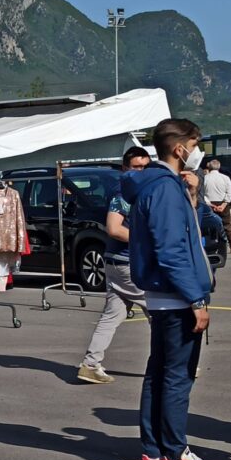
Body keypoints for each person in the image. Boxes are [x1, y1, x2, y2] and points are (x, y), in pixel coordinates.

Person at [121, 119, 222, 460]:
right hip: (176, 297)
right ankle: (175, 453)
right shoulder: (163, 188)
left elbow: (184, 233)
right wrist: (196, 300)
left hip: (165, 295)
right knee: (177, 377)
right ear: (180, 149)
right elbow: (172, 249)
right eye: (196, 144)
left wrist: (193, 199)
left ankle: (154, 453)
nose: (199, 152)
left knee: (159, 373)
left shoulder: (161, 186)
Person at [77, 147, 151, 384]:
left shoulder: (132, 191)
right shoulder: (123, 194)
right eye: (136, 167)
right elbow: (114, 228)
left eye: (145, 167)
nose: (141, 171)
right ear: (125, 168)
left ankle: (90, 364)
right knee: (161, 313)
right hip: (128, 263)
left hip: (115, 262)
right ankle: (173, 364)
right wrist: (147, 239)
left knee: (112, 315)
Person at [202, 159, 231, 252]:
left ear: (209, 167)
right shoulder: (225, 178)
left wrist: (211, 204)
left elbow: (203, 194)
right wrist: (224, 204)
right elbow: (230, 193)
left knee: (211, 226)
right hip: (223, 203)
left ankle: (213, 247)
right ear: (219, 167)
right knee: (227, 225)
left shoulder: (205, 178)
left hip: (210, 204)